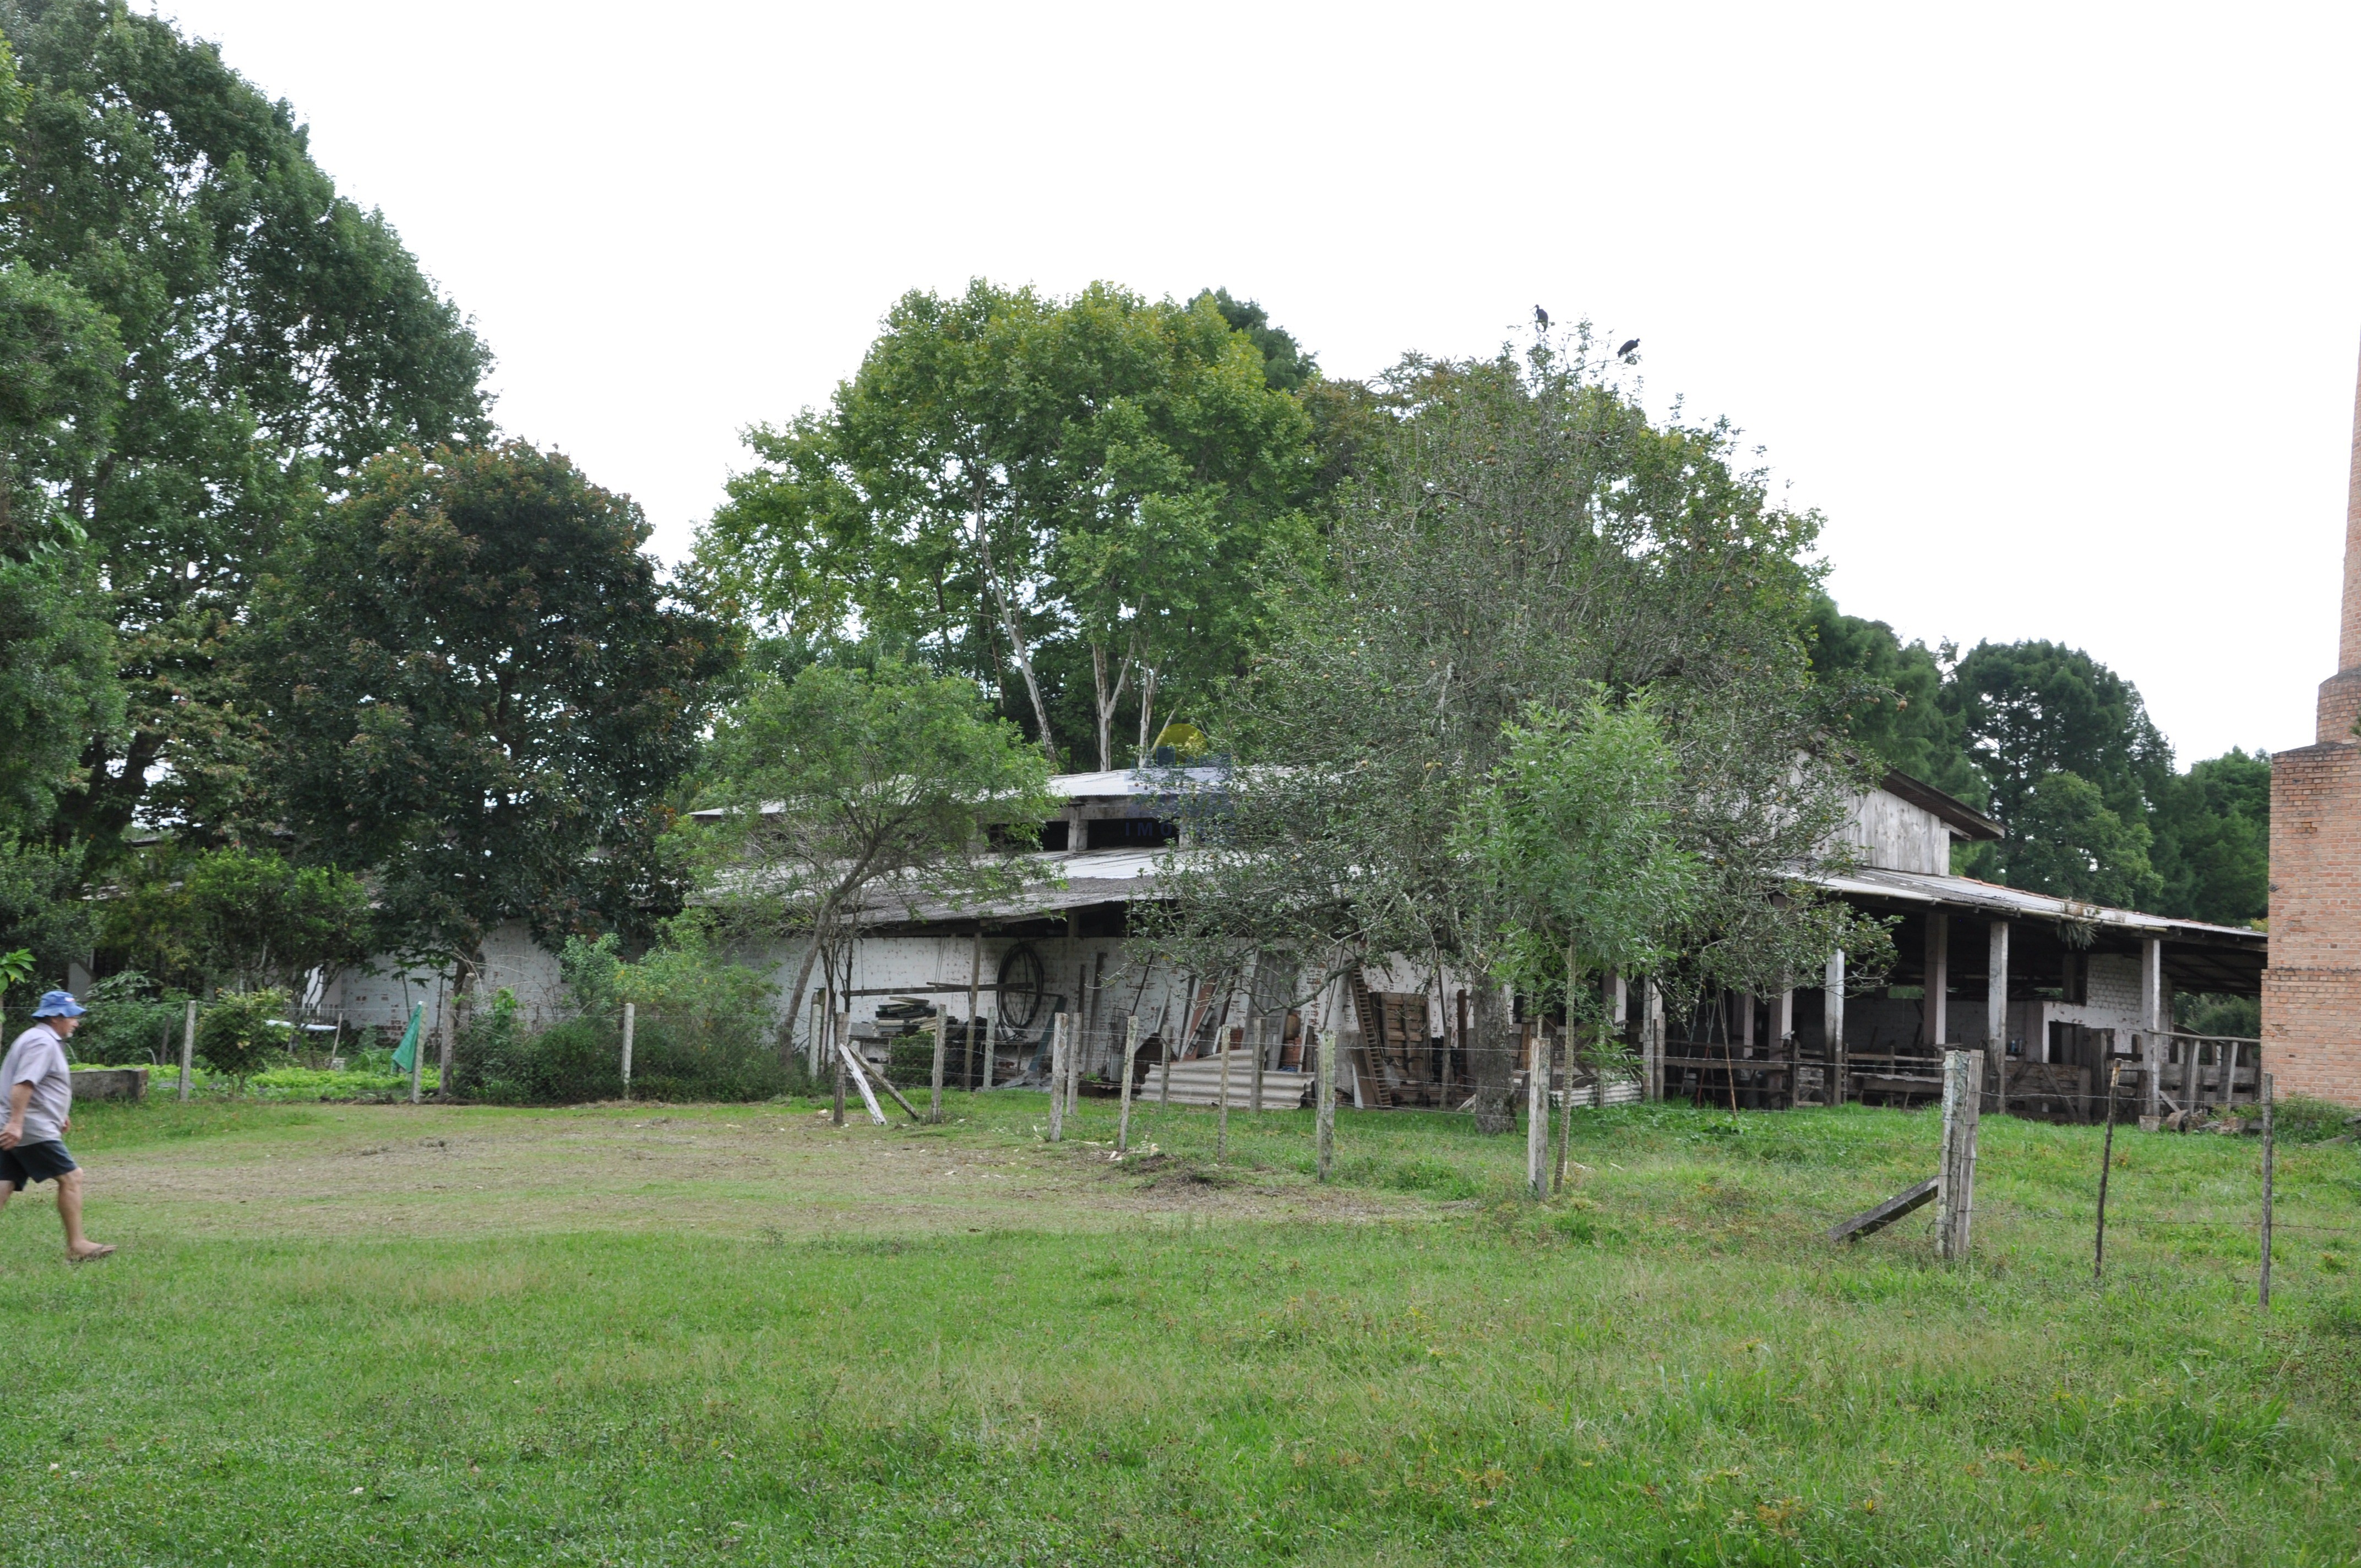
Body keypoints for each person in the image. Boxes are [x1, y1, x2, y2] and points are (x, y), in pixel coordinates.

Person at [0, 991, 113, 1261]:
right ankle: (77, 1245)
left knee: (3, 1184)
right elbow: (25, 1083)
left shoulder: (37, 1038)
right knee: (72, 1177)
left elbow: (39, 1084)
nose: (76, 1022)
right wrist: (17, 1123)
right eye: (71, 1016)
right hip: (30, 1128)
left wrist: (58, 1113)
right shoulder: (42, 1042)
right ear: (55, 1016)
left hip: (23, 1122)